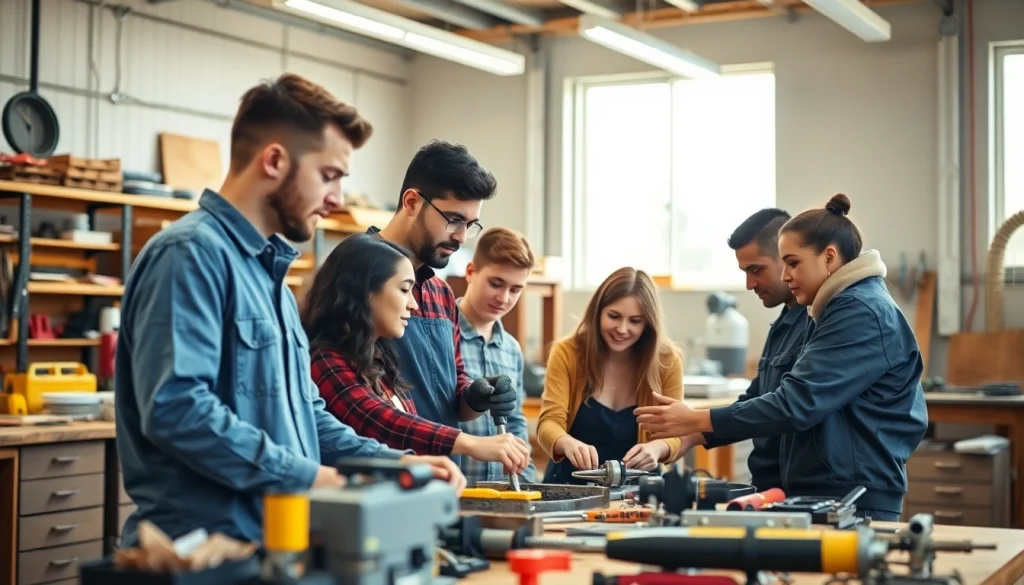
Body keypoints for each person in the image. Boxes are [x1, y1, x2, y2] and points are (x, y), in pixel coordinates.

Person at [115, 74, 465, 547]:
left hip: (271, 545)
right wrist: (309, 478)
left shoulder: (272, 282)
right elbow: (179, 410)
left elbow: (308, 414)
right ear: (275, 160)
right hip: (198, 552)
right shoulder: (190, 256)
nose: (338, 199)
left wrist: (394, 462)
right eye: (329, 175)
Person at [636, 194, 928, 520]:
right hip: (809, 495)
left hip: (851, 500)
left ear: (829, 257)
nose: (787, 275)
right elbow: (760, 398)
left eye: (792, 262)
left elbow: (797, 403)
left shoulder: (858, 311)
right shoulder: (822, 311)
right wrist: (680, 436)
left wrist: (695, 418)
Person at [302, 233, 531, 474]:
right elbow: (382, 421)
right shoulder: (325, 360)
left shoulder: (383, 361)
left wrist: (475, 395)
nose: (414, 304)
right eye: (404, 290)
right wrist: (469, 443)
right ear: (365, 290)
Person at [370, 141, 520, 471]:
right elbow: (353, 402)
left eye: (471, 224)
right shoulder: (357, 278)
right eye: (453, 219)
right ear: (412, 202)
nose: (463, 237)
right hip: (384, 478)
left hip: (442, 479)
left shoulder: (441, 293)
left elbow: (455, 403)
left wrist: (476, 397)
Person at [672, 208, 808, 491]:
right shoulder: (783, 324)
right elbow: (755, 397)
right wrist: (686, 438)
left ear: (786, 259)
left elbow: (790, 406)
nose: (749, 284)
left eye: (755, 270)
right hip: (771, 491)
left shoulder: (819, 324)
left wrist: (695, 418)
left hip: (802, 493)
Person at [537, 267, 685, 484]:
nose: (622, 329)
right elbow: (548, 422)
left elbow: (679, 432)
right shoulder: (567, 353)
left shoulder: (668, 362)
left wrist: (658, 447)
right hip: (568, 487)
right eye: (614, 316)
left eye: (635, 321)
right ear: (597, 312)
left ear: (649, 323)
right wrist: (566, 442)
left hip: (639, 493)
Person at [456, 227, 537, 484]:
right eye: (496, 283)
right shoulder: (442, 335)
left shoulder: (511, 349)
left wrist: (525, 478)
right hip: (456, 490)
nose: (503, 298)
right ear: (470, 272)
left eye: (515, 289)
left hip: (504, 492)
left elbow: (515, 419)